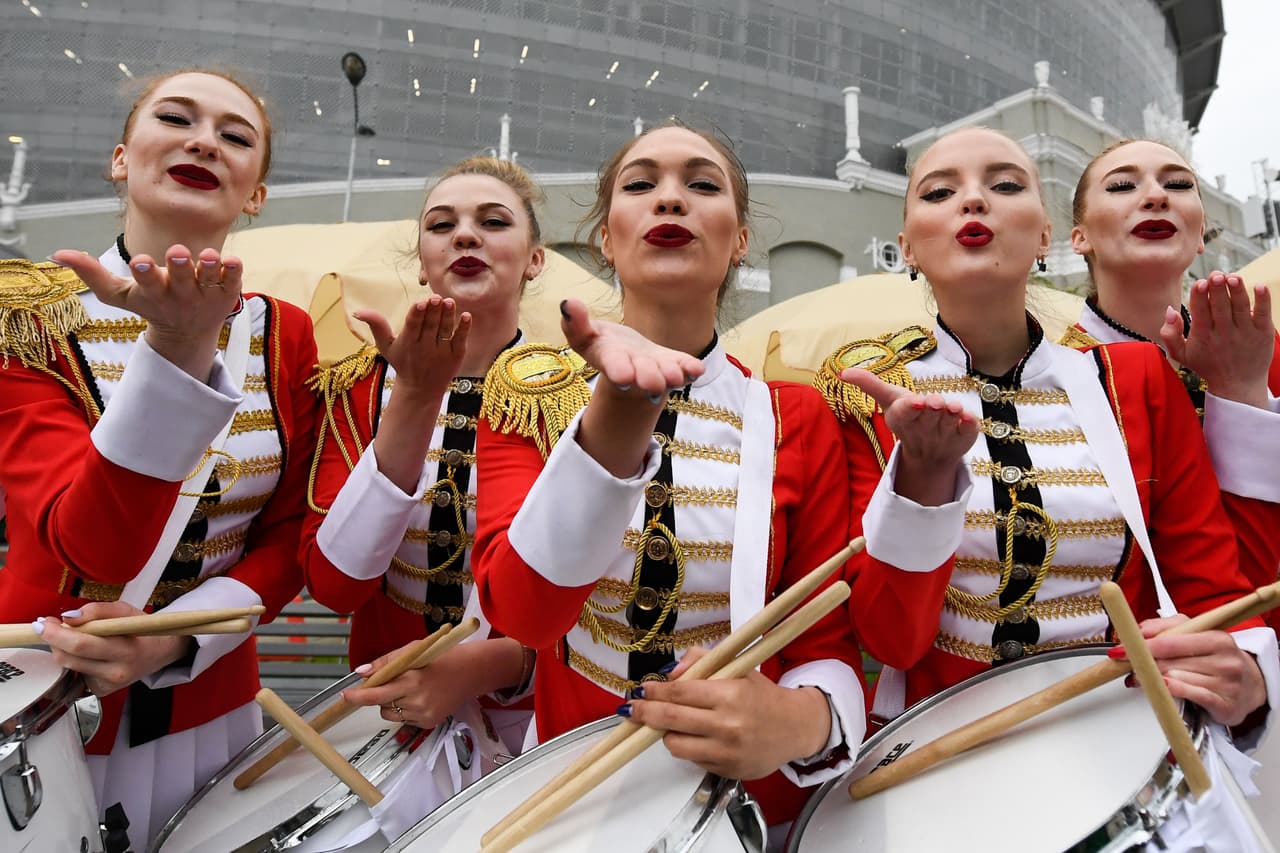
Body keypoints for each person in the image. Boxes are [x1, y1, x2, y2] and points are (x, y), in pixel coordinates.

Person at [817, 126, 1277, 842]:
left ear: (1045, 238)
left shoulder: (1136, 380)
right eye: (939, 192)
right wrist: (925, 481)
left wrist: (1246, 675)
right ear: (906, 245)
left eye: (1006, 185)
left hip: (1133, 742)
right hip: (950, 765)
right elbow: (891, 641)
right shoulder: (863, 397)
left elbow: (1211, 593)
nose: (974, 200)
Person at [471, 123, 863, 827]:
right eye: (642, 184)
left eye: (703, 184)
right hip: (568, 796)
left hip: (743, 809)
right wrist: (613, 420)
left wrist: (800, 723)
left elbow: (822, 642)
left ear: (740, 239)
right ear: (606, 237)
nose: (671, 200)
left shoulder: (797, 415)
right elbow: (522, 614)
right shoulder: (529, 393)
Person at [0, 69, 318, 848]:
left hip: (206, 708)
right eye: (176, 118)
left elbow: (289, 542)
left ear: (255, 194)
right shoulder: (25, 316)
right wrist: (179, 353)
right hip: (38, 706)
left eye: (235, 136)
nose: (204, 139)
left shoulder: (289, 334)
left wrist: (176, 638)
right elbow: (91, 545)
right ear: (120, 158)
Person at [300, 157, 547, 759]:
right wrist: (409, 401)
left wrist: (497, 667)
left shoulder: (577, 395)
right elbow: (335, 586)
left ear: (535, 258)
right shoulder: (357, 390)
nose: (465, 235)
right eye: (442, 226)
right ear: (421, 260)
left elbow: (598, 597)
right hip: (385, 721)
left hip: (533, 725)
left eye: (493, 222)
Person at [1065, 138, 1280, 608]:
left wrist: (1245, 387)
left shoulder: (1262, 349)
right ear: (1079, 237)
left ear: (1201, 233)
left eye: (1179, 184)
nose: (1156, 196)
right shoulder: (1054, 375)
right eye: (1122, 185)